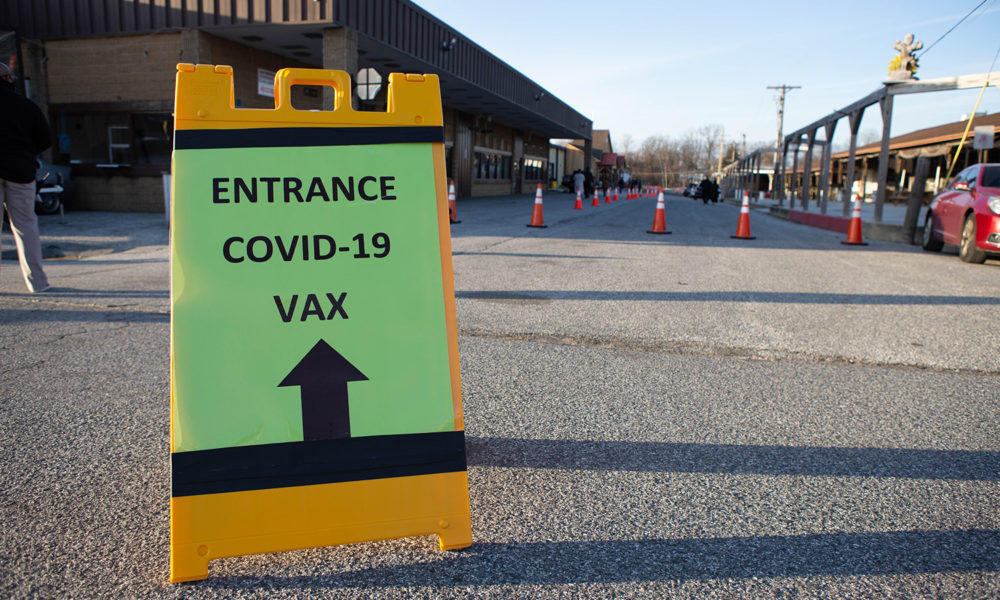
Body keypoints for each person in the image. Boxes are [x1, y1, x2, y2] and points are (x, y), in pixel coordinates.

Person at [0, 62, 51, 293]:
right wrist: (27, 151)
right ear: (8, 79)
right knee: (25, 226)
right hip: (21, 172)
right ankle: (37, 283)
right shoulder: (26, 106)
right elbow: (45, 140)